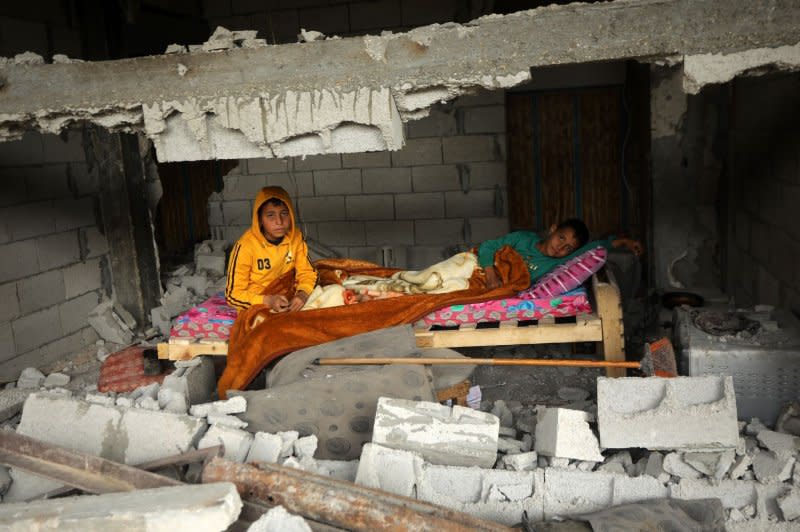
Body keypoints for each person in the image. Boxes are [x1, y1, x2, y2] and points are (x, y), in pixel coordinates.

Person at [225, 186, 317, 313]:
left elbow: (307, 272)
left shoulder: (295, 237)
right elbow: (233, 295)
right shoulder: (245, 246)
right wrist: (268, 301)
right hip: (259, 301)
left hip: (289, 295)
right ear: (260, 220)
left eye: (284, 213)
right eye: (270, 215)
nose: (279, 221)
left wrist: (303, 294)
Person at [478, 219, 643, 289]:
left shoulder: (559, 263)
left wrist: (623, 242)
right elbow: (487, 247)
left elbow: (595, 247)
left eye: (569, 247)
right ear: (553, 229)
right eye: (561, 237)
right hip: (482, 272)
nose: (561, 247)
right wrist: (491, 274)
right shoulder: (522, 238)